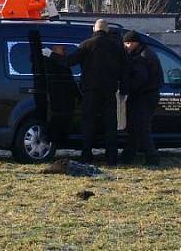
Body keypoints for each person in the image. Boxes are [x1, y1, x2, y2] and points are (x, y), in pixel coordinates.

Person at [42, 19, 126, 165]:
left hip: (90, 91)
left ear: (94, 29)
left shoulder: (87, 44)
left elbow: (69, 61)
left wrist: (50, 54)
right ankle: (111, 157)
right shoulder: (116, 47)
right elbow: (125, 69)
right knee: (110, 124)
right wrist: (123, 88)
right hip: (109, 91)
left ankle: (87, 154)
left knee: (88, 123)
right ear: (107, 30)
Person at [120, 30, 163, 166]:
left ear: (134, 43)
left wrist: (125, 89)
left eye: (127, 43)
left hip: (143, 97)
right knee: (136, 127)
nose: (125, 47)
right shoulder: (148, 53)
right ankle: (129, 155)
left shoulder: (141, 58)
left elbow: (140, 79)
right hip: (149, 95)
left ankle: (152, 157)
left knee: (142, 127)